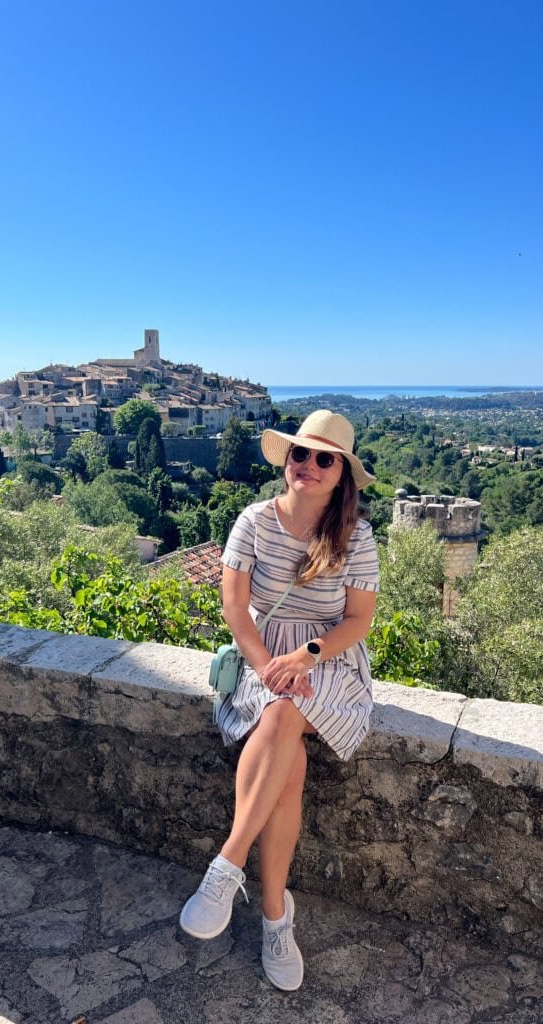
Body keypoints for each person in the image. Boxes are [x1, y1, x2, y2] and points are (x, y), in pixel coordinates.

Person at [179, 409, 379, 991]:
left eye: (324, 458)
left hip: (327, 658)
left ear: (341, 472)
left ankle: (227, 865)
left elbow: (358, 621)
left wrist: (307, 655)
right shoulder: (253, 522)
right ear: (286, 461)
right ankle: (274, 918)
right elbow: (236, 610)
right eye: (301, 454)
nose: (309, 465)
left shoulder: (357, 537)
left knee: (288, 708)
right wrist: (269, 664)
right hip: (262, 653)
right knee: (287, 755)